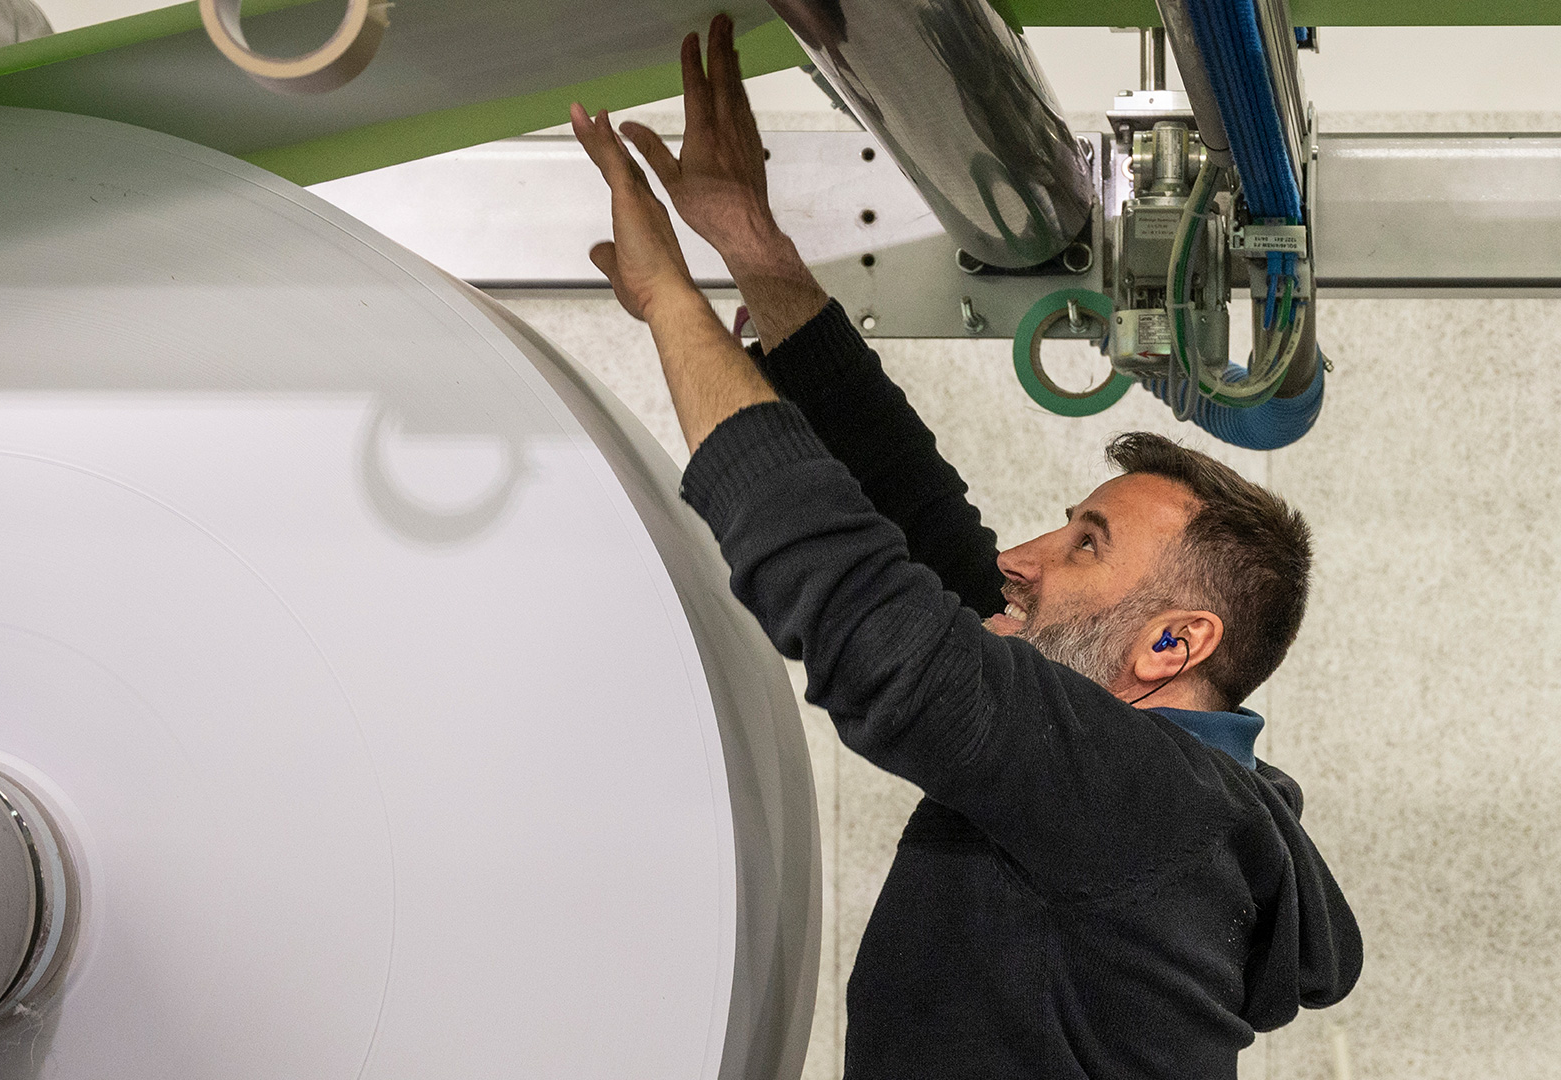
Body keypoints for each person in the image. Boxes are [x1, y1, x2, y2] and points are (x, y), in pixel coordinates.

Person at [568, 15, 1361, 1079]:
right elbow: (933, 544)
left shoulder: (1151, 803)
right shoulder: (1160, 802)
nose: (1024, 559)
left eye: (1085, 545)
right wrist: (750, 244)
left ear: (1172, 646)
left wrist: (673, 303)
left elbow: (882, 640)